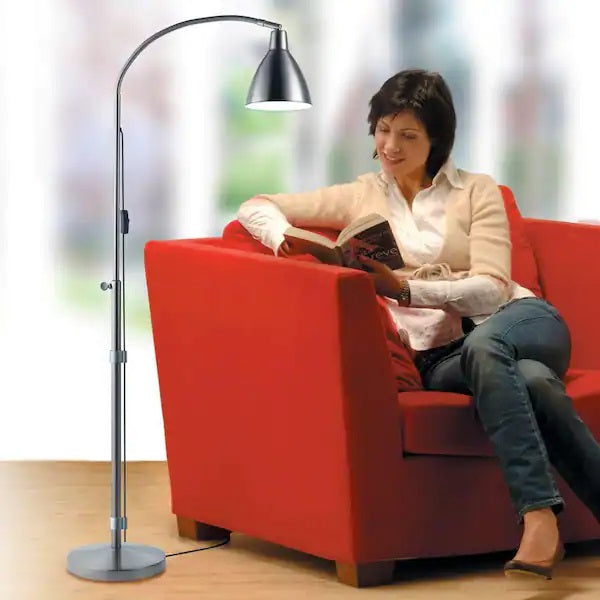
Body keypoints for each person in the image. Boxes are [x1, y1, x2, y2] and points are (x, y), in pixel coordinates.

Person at [237, 69, 600, 579]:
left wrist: (404, 289)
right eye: (384, 129)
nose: (391, 145)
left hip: (519, 320)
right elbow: (255, 207)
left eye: (408, 135)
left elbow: (493, 287)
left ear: (437, 140)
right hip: (440, 356)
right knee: (534, 383)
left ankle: (538, 516)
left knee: (489, 349)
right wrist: (287, 239)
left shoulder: (477, 191)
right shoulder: (361, 195)